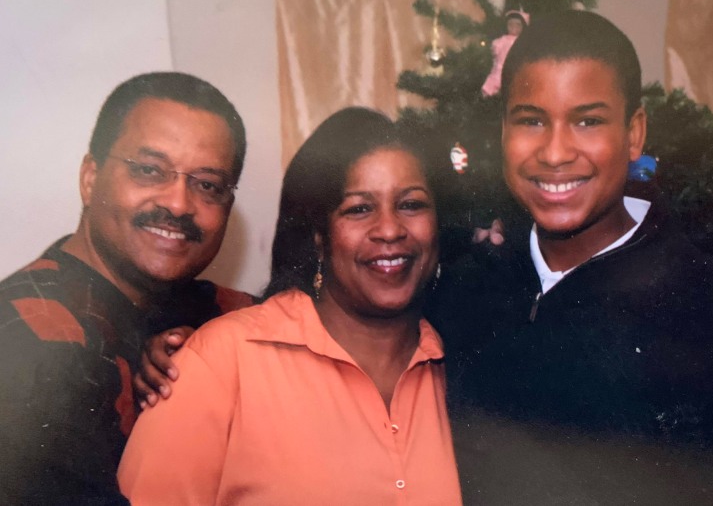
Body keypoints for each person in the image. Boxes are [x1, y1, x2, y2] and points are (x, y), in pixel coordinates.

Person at [432, 10, 713, 502]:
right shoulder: (466, 288)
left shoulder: (706, 307)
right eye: (531, 120)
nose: (556, 152)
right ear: (502, 130)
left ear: (634, 134)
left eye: (587, 121)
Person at [118, 108, 462, 505]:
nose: (389, 229)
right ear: (319, 235)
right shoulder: (221, 363)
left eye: (411, 205)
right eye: (359, 209)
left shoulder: (465, 367)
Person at [0, 72, 256, 505]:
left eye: (207, 185)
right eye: (149, 170)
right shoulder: (30, 335)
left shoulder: (230, 314)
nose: (178, 203)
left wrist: (213, 363)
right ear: (89, 179)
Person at [480, 10, 529, 97]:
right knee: (495, 80)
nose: (514, 27)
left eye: (518, 25)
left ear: (522, 27)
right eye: (511, 24)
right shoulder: (503, 40)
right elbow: (495, 49)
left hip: (514, 67)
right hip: (500, 67)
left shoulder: (522, 41)